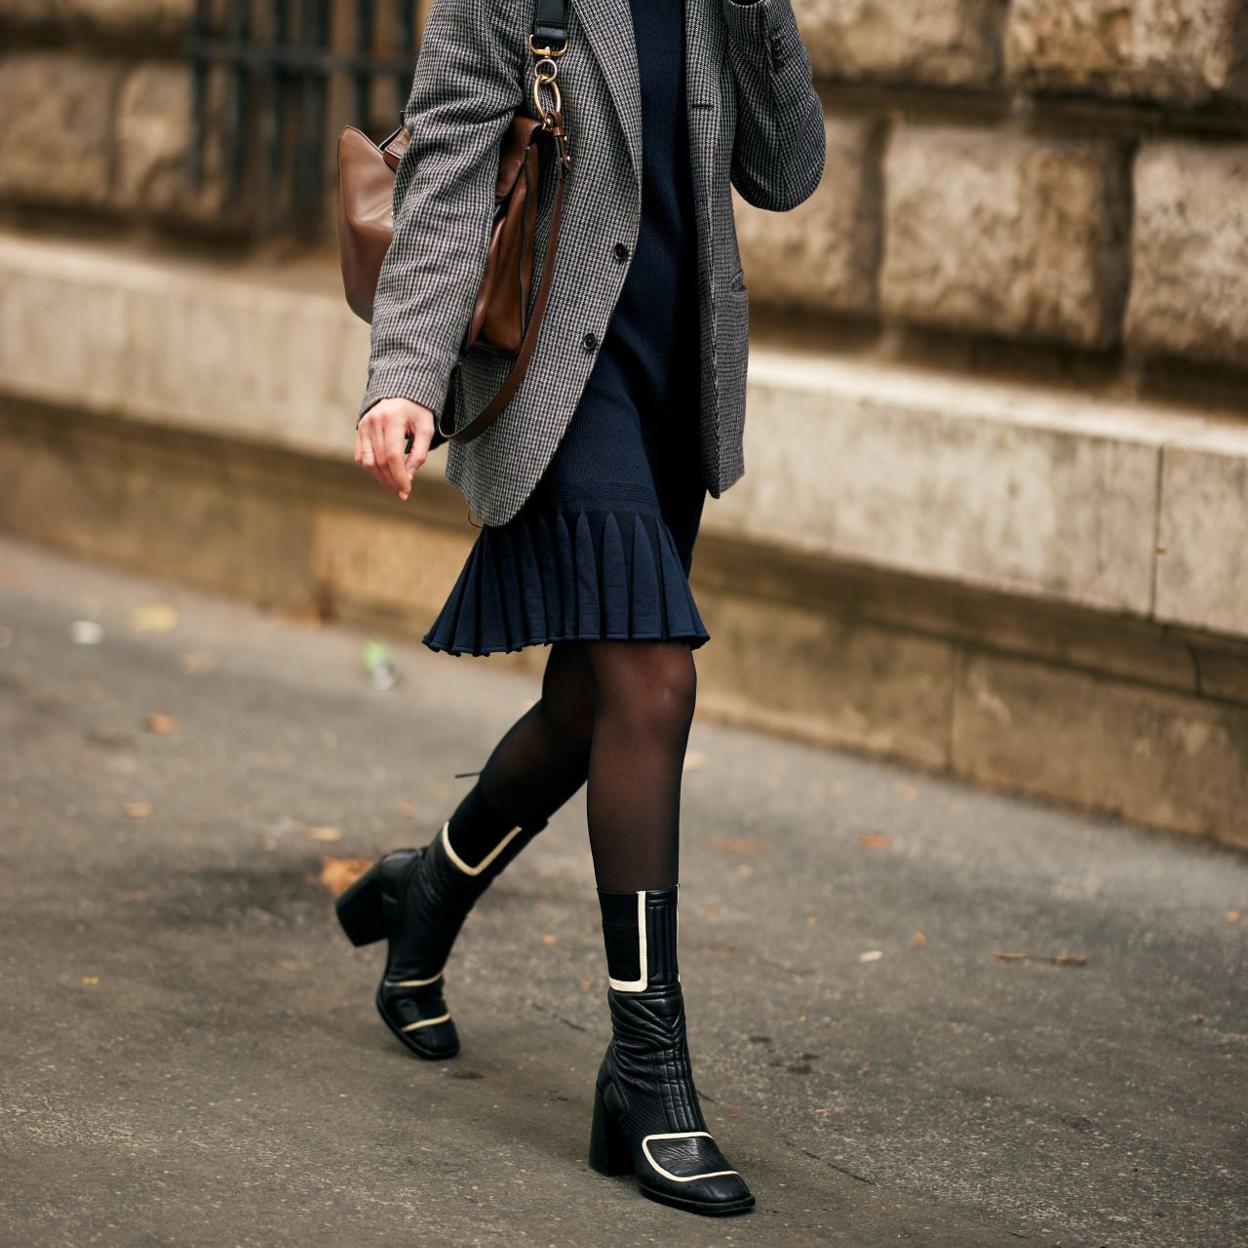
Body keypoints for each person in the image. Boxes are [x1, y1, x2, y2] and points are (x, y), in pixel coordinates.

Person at [341, 0, 824, 1217]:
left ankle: (426, 891)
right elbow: (449, 163)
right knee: (656, 680)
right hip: (561, 376)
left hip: (672, 379)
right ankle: (647, 1071)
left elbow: (784, 172)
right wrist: (404, 376)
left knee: (585, 703)